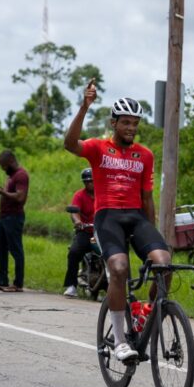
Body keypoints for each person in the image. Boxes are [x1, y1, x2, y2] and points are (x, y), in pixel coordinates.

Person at [64, 79, 171, 363]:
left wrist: (153, 236)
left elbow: (147, 198)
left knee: (164, 264)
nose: (131, 128)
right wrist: (84, 107)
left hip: (136, 216)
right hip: (107, 216)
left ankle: (147, 315)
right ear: (113, 123)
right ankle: (121, 341)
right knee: (119, 268)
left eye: (135, 124)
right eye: (125, 123)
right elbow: (69, 143)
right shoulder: (99, 148)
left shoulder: (145, 155)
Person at [0, 149, 29, 292]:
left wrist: (1, 192)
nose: (3, 169)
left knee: (16, 250)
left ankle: (18, 284)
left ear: (10, 162)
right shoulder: (12, 176)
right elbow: (9, 193)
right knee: (0, 248)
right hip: (4, 217)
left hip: (14, 217)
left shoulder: (21, 175)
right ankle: (3, 281)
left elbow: (20, 197)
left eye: (4, 166)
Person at [63, 168, 97, 297]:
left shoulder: (103, 195)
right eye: (87, 182)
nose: (90, 184)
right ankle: (71, 285)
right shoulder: (79, 195)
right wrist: (78, 222)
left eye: (92, 181)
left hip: (101, 233)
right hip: (86, 232)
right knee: (74, 252)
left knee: (114, 254)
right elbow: (74, 212)